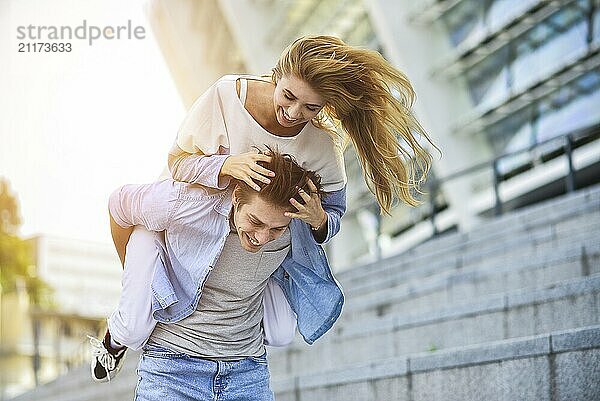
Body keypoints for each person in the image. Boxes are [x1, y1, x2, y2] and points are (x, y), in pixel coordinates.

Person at [90, 148, 324, 400]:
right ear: (236, 197)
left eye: (276, 229)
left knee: (282, 334)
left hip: (246, 370)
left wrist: (319, 219)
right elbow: (118, 204)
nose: (262, 237)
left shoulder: (294, 222)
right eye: (255, 222)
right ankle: (113, 340)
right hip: (173, 367)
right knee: (132, 328)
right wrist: (137, 277)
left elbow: (331, 217)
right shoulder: (183, 202)